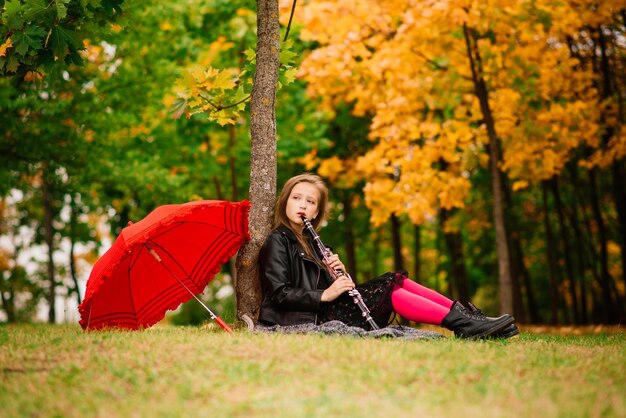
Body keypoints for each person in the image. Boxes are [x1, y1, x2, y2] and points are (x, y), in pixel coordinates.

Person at [257, 173, 519, 339]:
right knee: (388, 288)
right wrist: (326, 293)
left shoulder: (314, 243)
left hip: (327, 310)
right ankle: (463, 323)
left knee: (395, 279)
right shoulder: (277, 242)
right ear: (285, 202)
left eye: (310, 201)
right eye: (297, 198)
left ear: (316, 212)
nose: (302, 205)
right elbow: (279, 294)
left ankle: (469, 318)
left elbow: (331, 287)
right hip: (310, 318)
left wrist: (338, 273)